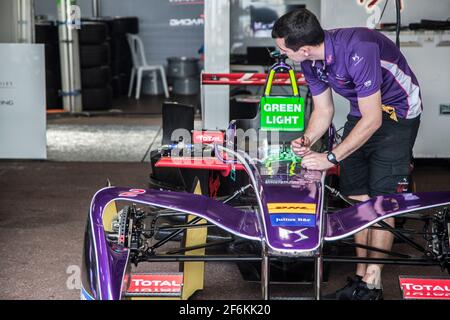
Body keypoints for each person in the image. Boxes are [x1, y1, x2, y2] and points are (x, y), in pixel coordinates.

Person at [272, 8, 421, 300]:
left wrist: (330, 158)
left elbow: (374, 120)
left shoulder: (359, 48)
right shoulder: (310, 62)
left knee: (381, 199)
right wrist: (308, 138)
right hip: (362, 113)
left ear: (302, 48)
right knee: (357, 195)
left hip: (398, 114)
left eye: (281, 49)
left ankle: (373, 284)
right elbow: (324, 110)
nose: (279, 54)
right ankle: (360, 276)